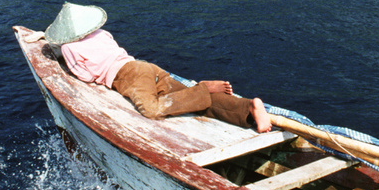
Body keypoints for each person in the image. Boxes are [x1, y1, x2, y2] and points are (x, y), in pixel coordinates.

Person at [60, 28, 272, 133]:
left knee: (152, 110)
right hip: (145, 67)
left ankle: (202, 87)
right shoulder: (100, 33)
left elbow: (84, 76)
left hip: (128, 76)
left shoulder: (68, 48)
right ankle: (249, 107)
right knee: (195, 103)